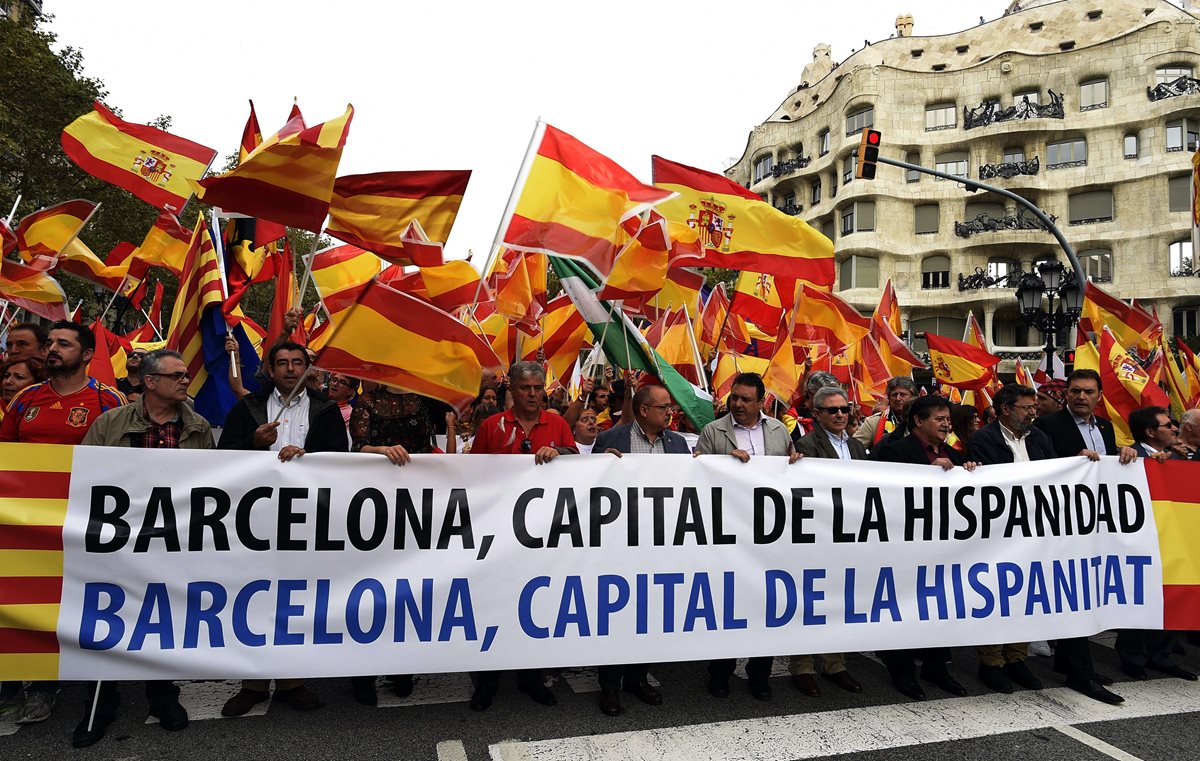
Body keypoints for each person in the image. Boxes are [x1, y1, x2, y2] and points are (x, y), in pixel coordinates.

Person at [73, 350, 212, 746]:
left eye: (186, 375)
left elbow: (211, 482)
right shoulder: (110, 423)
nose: (186, 381)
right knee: (107, 614)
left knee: (162, 615)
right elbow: (87, 476)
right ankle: (100, 699)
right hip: (118, 538)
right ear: (150, 382)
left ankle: (162, 695)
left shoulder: (197, 427)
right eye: (178, 375)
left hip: (172, 540)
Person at [0, 321, 125, 725]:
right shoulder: (25, 399)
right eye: (50, 342)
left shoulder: (108, 400)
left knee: (61, 604)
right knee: (18, 601)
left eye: (63, 344)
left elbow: (125, 464)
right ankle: (10, 684)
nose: (52, 349)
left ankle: (45, 685)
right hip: (24, 524)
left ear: (87, 354)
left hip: (79, 524)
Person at [218, 341, 348, 717]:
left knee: (297, 598)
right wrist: (253, 444)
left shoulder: (325, 410)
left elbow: (341, 459)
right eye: (282, 363)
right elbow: (220, 458)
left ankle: (292, 681)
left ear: (308, 369)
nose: (291, 369)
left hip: (308, 518)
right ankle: (252, 683)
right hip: (256, 519)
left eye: (298, 363)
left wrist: (309, 458)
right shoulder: (248, 408)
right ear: (270, 370)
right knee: (254, 597)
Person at [468, 361, 576, 711]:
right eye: (525, 388)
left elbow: (578, 463)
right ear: (511, 390)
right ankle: (488, 680)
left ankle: (532, 678)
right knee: (494, 606)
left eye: (537, 387)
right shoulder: (491, 427)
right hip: (499, 536)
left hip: (543, 537)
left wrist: (561, 451)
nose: (532, 394)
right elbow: (473, 478)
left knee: (537, 607)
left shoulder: (557, 423)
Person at [695, 373, 801, 702]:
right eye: (734, 398)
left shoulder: (778, 430)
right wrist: (722, 464)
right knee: (728, 605)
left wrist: (795, 462)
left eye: (745, 399)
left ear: (761, 403)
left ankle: (760, 674)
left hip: (769, 533)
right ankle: (721, 672)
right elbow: (694, 473)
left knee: (764, 604)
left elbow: (788, 467)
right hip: (728, 531)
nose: (738, 404)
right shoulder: (714, 431)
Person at [1034, 368, 1136, 705]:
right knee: (1074, 594)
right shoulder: (1049, 425)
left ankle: (1067, 662)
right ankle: (1081, 673)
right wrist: (1068, 462)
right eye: (1075, 391)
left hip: (1094, 521)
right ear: (1067, 394)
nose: (1081, 397)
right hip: (1062, 522)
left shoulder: (1104, 427)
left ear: (1099, 395)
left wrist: (1127, 456)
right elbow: (1039, 466)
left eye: (1088, 392)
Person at [869, 395, 975, 701]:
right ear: (918, 420)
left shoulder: (953, 451)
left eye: (948, 419)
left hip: (941, 547)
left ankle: (936, 666)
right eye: (939, 418)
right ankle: (901, 669)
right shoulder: (894, 450)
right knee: (903, 607)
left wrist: (965, 470)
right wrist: (926, 472)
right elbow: (879, 489)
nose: (946, 424)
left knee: (939, 605)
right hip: (903, 546)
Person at [592, 381, 688, 715]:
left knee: (648, 613)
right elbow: (591, 490)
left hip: (660, 543)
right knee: (616, 613)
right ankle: (609, 685)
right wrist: (599, 464)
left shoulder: (677, 445)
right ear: (644, 410)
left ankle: (637, 676)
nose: (670, 413)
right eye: (664, 408)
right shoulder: (609, 440)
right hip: (619, 543)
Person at [965, 384, 1052, 694]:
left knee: (1025, 596)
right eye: (1027, 407)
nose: (1033, 411)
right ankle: (991, 661)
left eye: (1034, 407)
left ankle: (1017, 657)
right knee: (994, 595)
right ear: (1005, 410)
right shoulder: (983, 440)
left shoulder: (1040, 439)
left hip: (1034, 530)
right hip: (998, 532)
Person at [789, 386, 867, 698]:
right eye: (832, 410)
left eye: (844, 409)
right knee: (809, 600)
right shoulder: (806, 444)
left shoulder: (858, 447)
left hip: (849, 535)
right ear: (817, 414)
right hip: (818, 534)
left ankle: (834, 663)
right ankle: (802, 666)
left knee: (838, 598)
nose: (839, 415)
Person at [1115, 406, 1197, 683]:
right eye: (1167, 425)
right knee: (1138, 596)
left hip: (1174, 537)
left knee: (1171, 593)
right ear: (1150, 432)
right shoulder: (1127, 455)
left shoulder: (1180, 456)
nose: (1175, 428)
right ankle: (1133, 657)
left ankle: (1162, 655)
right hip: (1139, 540)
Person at [855, 377, 917, 450]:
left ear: (913, 397)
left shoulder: (924, 421)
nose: (898, 398)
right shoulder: (873, 422)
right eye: (894, 395)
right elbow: (853, 449)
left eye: (902, 395)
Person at [0, 355, 45, 423]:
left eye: (19, 377)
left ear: (37, 383)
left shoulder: (45, 412)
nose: (8, 381)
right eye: (6, 376)